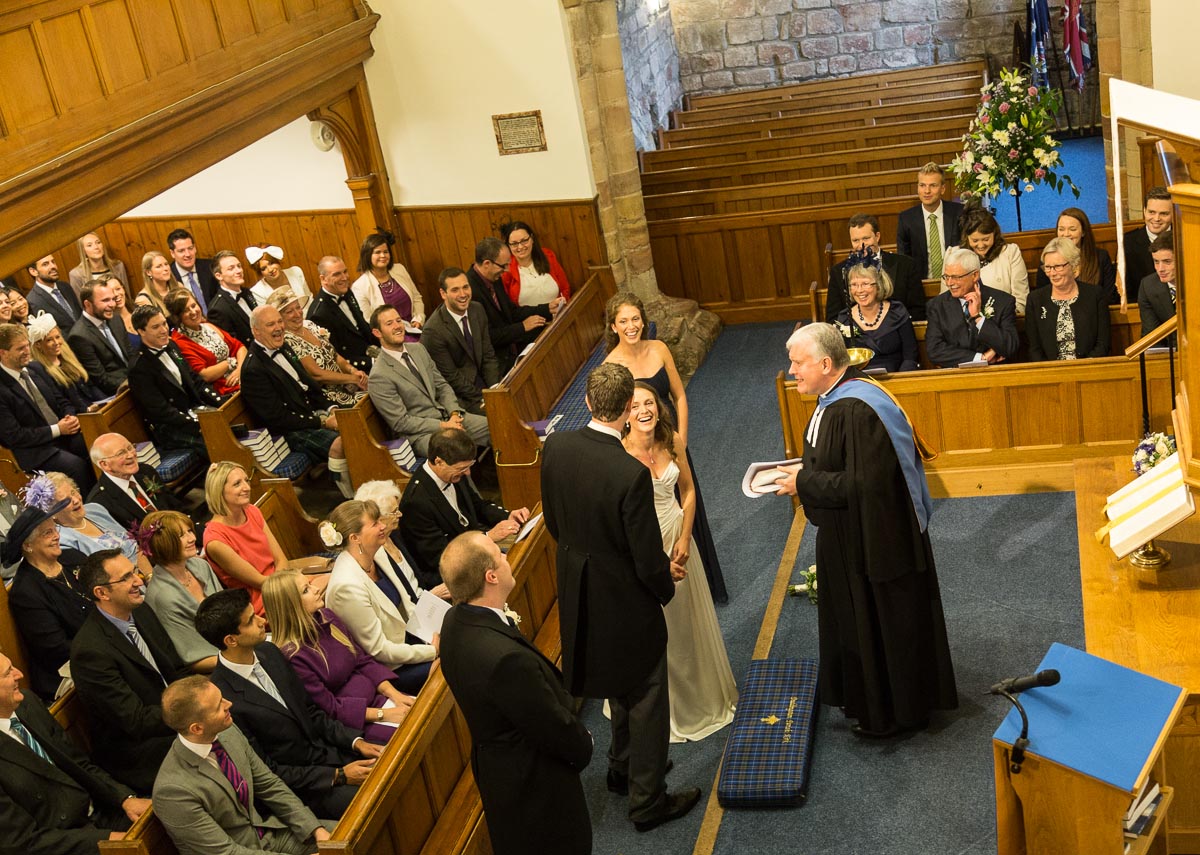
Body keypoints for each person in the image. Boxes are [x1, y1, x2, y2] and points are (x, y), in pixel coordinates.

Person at [774, 324, 958, 737]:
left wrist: (803, 482)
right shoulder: (835, 398)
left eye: (798, 363)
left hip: (874, 542)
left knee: (879, 623)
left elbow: (865, 485)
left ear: (826, 364)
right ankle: (870, 703)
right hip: (849, 535)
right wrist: (803, 472)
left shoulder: (857, 410)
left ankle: (892, 714)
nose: (792, 371)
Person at [541, 362, 699, 832]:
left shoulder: (556, 446)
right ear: (629, 407)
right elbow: (647, 557)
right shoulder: (629, 473)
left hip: (578, 589)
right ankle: (648, 801)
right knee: (647, 694)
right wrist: (666, 585)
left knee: (616, 682)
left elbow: (553, 521)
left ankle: (621, 766)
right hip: (626, 599)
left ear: (588, 402)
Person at [438, 531, 593, 855]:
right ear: (491, 577)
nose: (507, 557)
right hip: (534, 783)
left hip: (497, 771)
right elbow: (549, 724)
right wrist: (585, 743)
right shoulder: (505, 660)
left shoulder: (454, 622)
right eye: (500, 554)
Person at [197, 588, 383, 818]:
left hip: (332, 754)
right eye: (251, 620)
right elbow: (267, 770)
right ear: (231, 640)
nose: (262, 621)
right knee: (375, 800)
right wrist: (338, 775)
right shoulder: (223, 698)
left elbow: (311, 712)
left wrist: (355, 742)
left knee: (392, 759)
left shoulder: (269, 652)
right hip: (307, 787)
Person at [622, 382, 736, 742]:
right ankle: (671, 708)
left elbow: (687, 490)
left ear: (659, 407)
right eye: (636, 405)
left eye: (649, 403)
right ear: (626, 414)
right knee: (662, 627)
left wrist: (686, 537)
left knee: (688, 621)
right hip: (645, 546)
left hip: (679, 537)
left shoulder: (672, 440)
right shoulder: (620, 454)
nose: (644, 410)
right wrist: (655, 559)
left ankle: (704, 695)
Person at [602, 292, 728, 603]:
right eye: (623, 321)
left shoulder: (659, 348)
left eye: (635, 319)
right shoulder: (610, 366)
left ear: (643, 320)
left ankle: (703, 583)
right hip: (640, 452)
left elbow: (679, 395)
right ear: (613, 327)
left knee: (687, 505)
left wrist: (680, 439)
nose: (631, 326)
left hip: (670, 444)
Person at [155, 676, 331, 854]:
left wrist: (315, 829)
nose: (229, 704)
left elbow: (269, 785)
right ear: (197, 728)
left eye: (222, 698)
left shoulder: (227, 731)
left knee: (344, 839)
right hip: (238, 850)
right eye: (218, 706)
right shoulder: (172, 791)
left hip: (269, 833)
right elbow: (226, 852)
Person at [0, 647, 149, 855]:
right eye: (8, 673)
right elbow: (21, 842)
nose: (20, 674)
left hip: (99, 811)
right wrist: (103, 841)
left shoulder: (27, 703)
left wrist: (124, 798)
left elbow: (77, 762)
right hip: (65, 842)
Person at [69, 548, 189, 792]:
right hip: (141, 750)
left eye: (134, 571)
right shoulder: (90, 652)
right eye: (126, 578)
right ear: (102, 593)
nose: (139, 581)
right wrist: (192, 711)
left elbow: (176, 668)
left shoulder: (141, 611)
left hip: (173, 718)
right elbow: (135, 721)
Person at [263, 570, 414, 743]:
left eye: (310, 584)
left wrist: (396, 695)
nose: (316, 589)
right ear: (290, 607)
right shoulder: (295, 657)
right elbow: (330, 708)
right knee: (411, 734)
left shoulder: (327, 617)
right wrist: (383, 714)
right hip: (358, 722)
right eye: (306, 590)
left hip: (379, 699)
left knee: (422, 710)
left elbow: (363, 661)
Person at [323, 500, 439, 691]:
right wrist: (431, 651)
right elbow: (379, 650)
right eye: (375, 523)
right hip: (391, 668)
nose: (383, 526)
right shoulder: (347, 587)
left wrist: (430, 632)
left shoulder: (378, 553)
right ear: (355, 538)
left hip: (410, 639)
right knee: (453, 661)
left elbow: (406, 603)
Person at [240, 305, 352, 494]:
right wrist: (323, 422)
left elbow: (310, 385)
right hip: (290, 431)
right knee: (343, 442)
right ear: (256, 331)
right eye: (271, 324)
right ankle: (350, 496)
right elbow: (278, 418)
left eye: (279, 321)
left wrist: (331, 408)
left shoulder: (283, 346)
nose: (279, 328)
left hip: (311, 414)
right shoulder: (253, 370)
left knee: (354, 420)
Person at [399, 428, 528, 587]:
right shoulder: (416, 503)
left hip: (475, 554)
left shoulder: (455, 473)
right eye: (462, 468)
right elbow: (441, 557)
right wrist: (487, 538)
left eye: (469, 466)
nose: (467, 473)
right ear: (439, 462)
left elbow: (478, 505)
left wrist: (508, 516)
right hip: (454, 574)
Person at [367, 304, 491, 457]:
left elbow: (442, 386)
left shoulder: (418, 349)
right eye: (389, 323)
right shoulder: (379, 375)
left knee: (497, 427)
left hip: (450, 417)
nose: (397, 326)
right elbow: (401, 422)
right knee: (454, 448)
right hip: (423, 435)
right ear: (377, 332)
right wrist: (444, 425)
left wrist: (454, 413)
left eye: (398, 320)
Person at [5, 500, 90, 700]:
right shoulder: (25, 593)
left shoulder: (72, 558)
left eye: (55, 529)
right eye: (47, 533)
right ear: (27, 545)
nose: (57, 536)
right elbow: (56, 648)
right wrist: (106, 642)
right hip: (71, 667)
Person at [0, 322, 94, 490]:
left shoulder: (36, 368)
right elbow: (14, 436)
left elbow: (61, 400)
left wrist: (70, 417)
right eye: (20, 348)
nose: (27, 351)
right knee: (76, 466)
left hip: (64, 434)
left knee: (96, 445)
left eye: (27, 345)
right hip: (35, 450)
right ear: (3, 353)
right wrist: (57, 429)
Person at [128, 304, 224, 457]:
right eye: (155, 327)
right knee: (217, 442)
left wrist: (221, 404)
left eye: (164, 324)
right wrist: (199, 423)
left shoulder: (171, 345)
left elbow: (195, 380)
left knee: (232, 422)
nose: (164, 330)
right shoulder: (139, 367)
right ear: (141, 331)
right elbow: (162, 412)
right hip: (171, 427)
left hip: (194, 410)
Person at [140, 509, 223, 673]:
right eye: (181, 536)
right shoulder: (163, 596)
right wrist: (241, 656)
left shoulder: (200, 565)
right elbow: (192, 658)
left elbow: (231, 612)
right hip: (211, 669)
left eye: (190, 531)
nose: (192, 538)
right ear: (163, 544)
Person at [203, 461, 288, 618]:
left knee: (328, 581)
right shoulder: (215, 540)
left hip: (281, 581)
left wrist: (289, 581)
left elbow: (281, 559)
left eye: (246, 480)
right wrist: (290, 587)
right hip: (261, 600)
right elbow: (260, 582)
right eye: (237, 484)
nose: (247, 487)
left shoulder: (252, 511)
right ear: (219, 490)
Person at [39, 471, 153, 578]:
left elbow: (134, 546)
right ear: (51, 513)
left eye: (73, 492)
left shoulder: (95, 509)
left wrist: (149, 576)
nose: (76, 500)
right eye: (66, 501)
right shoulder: (61, 540)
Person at [467, 236, 554, 374]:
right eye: (503, 266)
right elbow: (488, 337)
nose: (507, 270)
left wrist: (547, 308)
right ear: (487, 264)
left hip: (512, 344)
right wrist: (522, 327)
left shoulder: (494, 277)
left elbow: (512, 311)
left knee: (548, 334)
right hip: (497, 360)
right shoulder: (469, 291)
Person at [269, 286, 367, 408]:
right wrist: (352, 378)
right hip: (328, 396)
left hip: (347, 384)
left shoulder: (309, 325)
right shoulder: (287, 340)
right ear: (279, 318)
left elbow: (334, 355)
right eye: (289, 312)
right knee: (373, 398)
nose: (297, 314)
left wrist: (353, 370)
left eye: (298, 307)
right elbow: (317, 374)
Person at [355, 478, 450, 600]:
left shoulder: (395, 535)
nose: (400, 514)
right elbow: (394, 601)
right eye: (394, 512)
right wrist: (432, 596)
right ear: (378, 518)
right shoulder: (373, 555)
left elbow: (418, 575)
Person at [924, 247, 1020, 368]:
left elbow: (1010, 346)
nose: (949, 283)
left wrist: (978, 318)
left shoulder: (1003, 301)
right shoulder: (936, 306)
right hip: (954, 374)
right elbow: (934, 350)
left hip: (994, 373)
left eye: (956, 277)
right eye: (946, 277)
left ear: (975, 275)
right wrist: (981, 358)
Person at [422, 267, 499, 415]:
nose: (463, 294)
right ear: (443, 294)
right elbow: (451, 377)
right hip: (462, 397)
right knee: (498, 414)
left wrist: (495, 389)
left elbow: (488, 355)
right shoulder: (433, 331)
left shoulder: (477, 309)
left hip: (486, 384)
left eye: (465, 287)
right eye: (455, 290)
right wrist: (485, 398)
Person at [825, 213, 925, 322]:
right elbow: (833, 319)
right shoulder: (839, 272)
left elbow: (918, 311)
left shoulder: (906, 265)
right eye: (856, 240)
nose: (861, 245)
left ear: (877, 236)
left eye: (866, 238)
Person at [1026, 237, 1112, 362]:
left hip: (1089, 367)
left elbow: (1103, 344)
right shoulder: (1035, 300)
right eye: (1048, 267)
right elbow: (1034, 349)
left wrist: (1084, 367)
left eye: (1058, 266)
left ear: (1074, 267)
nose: (1052, 273)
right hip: (1050, 370)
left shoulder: (1095, 295)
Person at [86, 431, 186, 530]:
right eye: (121, 453)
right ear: (105, 464)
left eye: (130, 448)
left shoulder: (146, 471)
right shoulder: (100, 502)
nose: (131, 455)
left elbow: (173, 504)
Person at [832, 262, 919, 373]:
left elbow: (910, 356)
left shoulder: (897, 312)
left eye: (865, 284)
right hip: (859, 380)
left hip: (897, 377)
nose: (859, 290)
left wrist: (900, 379)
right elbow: (840, 361)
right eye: (854, 285)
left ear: (879, 285)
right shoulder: (844, 318)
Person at [167, 289, 245, 396]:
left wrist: (239, 369)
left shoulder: (207, 325)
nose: (193, 312)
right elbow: (205, 375)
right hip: (226, 391)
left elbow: (240, 347)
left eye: (193, 306)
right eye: (185, 310)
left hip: (242, 377)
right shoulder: (179, 342)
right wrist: (230, 362)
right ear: (177, 317)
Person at [350, 229, 425, 339]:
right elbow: (369, 321)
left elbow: (416, 297)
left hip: (416, 329)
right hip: (390, 337)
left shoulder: (399, 269)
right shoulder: (360, 286)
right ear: (367, 255)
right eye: (377, 252)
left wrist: (418, 319)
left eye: (386, 252)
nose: (383, 255)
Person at [306, 256, 376, 372]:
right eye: (337, 274)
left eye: (345, 271)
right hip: (355, 370)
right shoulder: (318, 314)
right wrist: (373, 362)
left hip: (372, 354)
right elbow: (334, 356)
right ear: (323, 279)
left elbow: (362, 327)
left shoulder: (345, 291)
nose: (344, 277)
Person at [895, 163, 964, 280]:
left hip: (957, 280)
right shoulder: (906, 219)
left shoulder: (959, 213)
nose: (927, 191)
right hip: (921, 283)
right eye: (922, 185)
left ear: (943, 189)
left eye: (933, 185)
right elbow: (904, 259)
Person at [1035, 208, 1118, 303]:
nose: (1066, 234)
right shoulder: (1049, 259)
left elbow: (1109, 297)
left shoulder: (1100, 257)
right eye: (1061, 229)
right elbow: (1041, 297)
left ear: (1083, 232)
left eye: (1072, 229)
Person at [28, 312, 107, 412]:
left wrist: (106, 402)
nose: (56, 343)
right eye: (49, 340)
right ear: (38, 345)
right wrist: (87, 410)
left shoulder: (69, 359)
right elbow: (60, 402)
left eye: (57, 337)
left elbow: (90, 386)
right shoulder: (41, 371)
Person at [65, 278, 133, 394]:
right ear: (88, 304)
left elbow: (130, 354)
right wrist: (134, 382)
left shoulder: (116, 319)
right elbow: (101, 379)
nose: (112, 304)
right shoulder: (79, 336)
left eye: (112, 299)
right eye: (105, 300)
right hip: (119, 392)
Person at [958, 204, 1029, 313]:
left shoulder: (1010, 253)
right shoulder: (956, 256)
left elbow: (1020, 300)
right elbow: (946, 301)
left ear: (994, 234)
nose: (981, 245)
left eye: (986, 239)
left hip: (1003, 317)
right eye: (975, 241)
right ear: (966, 238)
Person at [500, 220, 572, 307]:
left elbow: (565, 288)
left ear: (532, 239)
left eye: (524, 241)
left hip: (559, 313)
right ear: (508, 245)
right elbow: (509, 307)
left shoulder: (548, 256)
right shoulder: (506, 271)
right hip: (528, 316)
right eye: (514, 244)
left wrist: (561, 307)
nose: (520, 247)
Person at [1124, 187, 1173, 303]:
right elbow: (1126, 289)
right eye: (1151, 212)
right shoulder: (1127, 242)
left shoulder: (1185, 237)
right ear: (1144, 211)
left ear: (1173, 213)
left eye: (1164, 214)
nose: (1156, 219)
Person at [205, 250, 257, 346]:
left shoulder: (246, 292)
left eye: (239, 266)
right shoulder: (217, 309)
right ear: (219, 276)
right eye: (231, 268)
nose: (238, 271)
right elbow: (232, 345)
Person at [67, 232, 130, 302]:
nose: (96, 247)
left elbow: (127, 296)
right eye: (89, 245)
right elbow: (81, 303)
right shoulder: (76, 274)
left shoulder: (118, 266)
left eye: (98, 242)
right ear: (83, 251)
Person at [167, 228, 218, 313]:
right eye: (181, 251)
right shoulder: (168, 276)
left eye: (190, 248)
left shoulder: (210, 267)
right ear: (172, 253)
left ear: (195, 248)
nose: (187, 254)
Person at [26, 254, 82, 330]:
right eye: (45, 264)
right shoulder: (33, 301)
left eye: (53, 262)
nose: (53, 266)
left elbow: (79, 313)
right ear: (33, 271)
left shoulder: (65, 286)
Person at [1139, 232, 1177, 345]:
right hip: (1170, 352)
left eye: (1167, 262)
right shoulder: (1148, 286)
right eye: (1156, 262)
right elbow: (1151, 335)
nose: (1160, 269)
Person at [245, 244, 310, 305]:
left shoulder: (295, 272)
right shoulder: (258, 291)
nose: (270, 270)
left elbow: (309, 298)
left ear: (277, 261)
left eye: (271, 263)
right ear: (260, 272)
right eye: (264, 268)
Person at [106, 277, 140, 349]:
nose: (116, 294)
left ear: (123, 289)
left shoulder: (139, 309)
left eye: (118, 289)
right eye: (111, 292)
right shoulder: (109, 326)